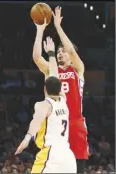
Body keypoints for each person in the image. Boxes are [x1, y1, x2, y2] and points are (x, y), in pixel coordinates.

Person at [32, 6, 89, 173]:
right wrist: (40, 29)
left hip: (75, 123)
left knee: (78, 168)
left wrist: (58, 26)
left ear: (71, 58)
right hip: (55, 125)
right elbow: (36, 57)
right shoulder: (52, 69)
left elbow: (71, 49)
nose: (60, 53)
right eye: (58, 51)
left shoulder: (77, 70)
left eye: (63, 51)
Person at [15, 37, 77, 173]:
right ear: (60, 89)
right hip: (68, 156)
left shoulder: (43, 105)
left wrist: (27, 137)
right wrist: (51, 54)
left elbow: (36, 122)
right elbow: (54, 75)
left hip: (51, 155)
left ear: (44, 89)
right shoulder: (64, 101)